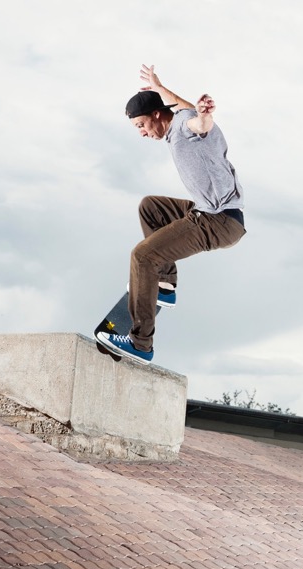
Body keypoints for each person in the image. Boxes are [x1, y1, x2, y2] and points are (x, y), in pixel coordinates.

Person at [96, 64, 246, 363]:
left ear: (155, 115)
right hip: (214, 214)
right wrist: (159, 87)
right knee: (151, 207)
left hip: (217, 222)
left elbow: (198, 124)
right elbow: (186, 108)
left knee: (143, 256)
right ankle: (164, 283)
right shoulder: (179, 119)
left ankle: (140, 342)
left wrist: (205, 115)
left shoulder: (184, 129)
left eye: (141, 125)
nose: (141, 133)